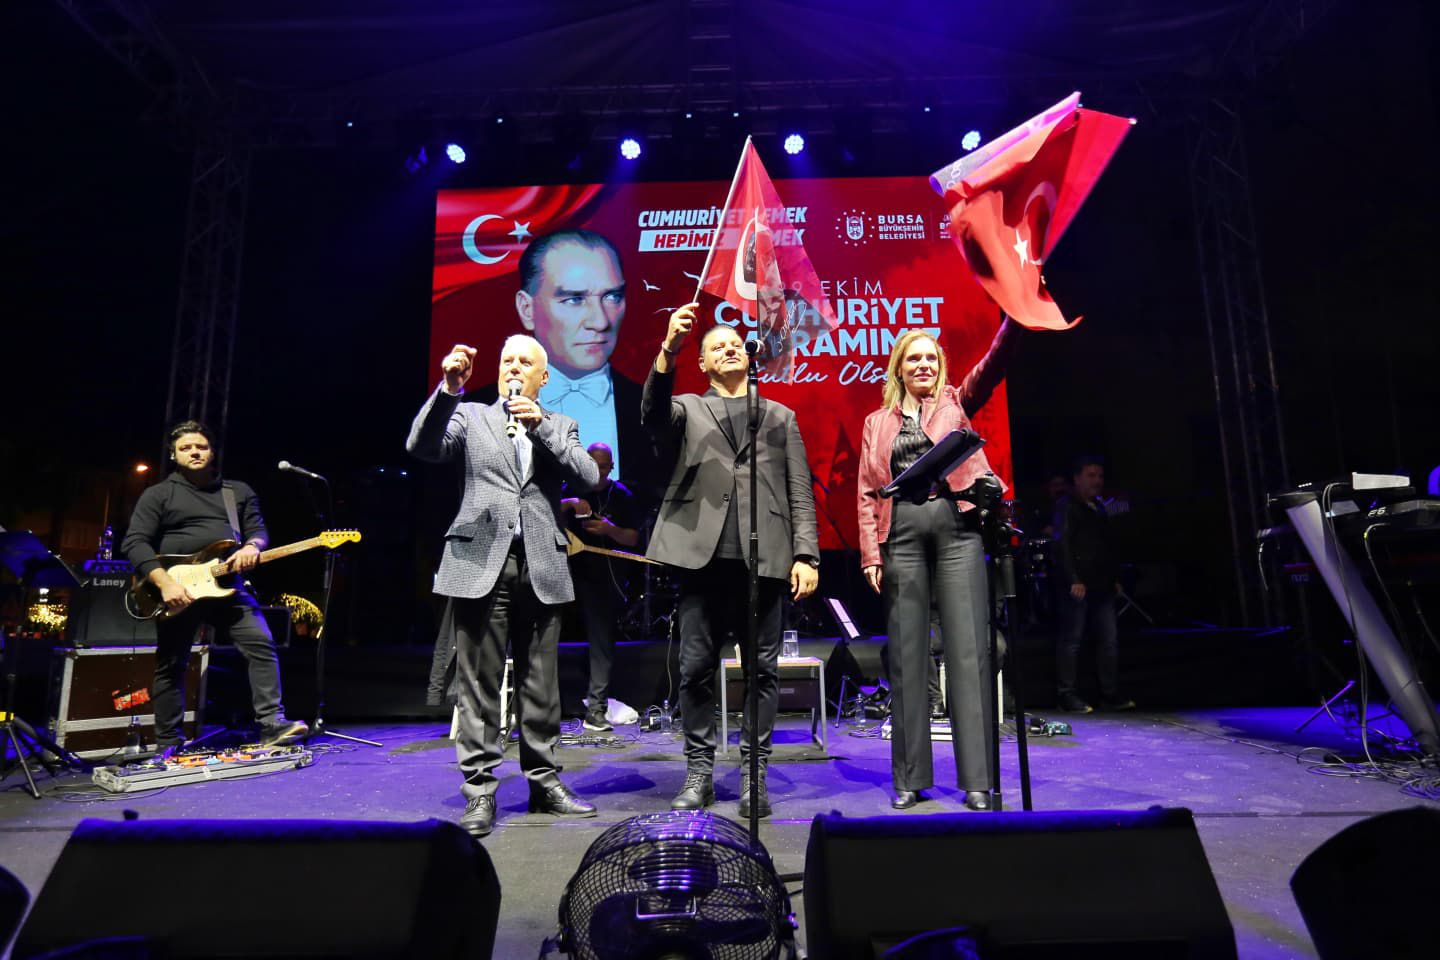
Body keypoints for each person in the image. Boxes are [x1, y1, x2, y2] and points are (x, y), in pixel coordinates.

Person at [407, 334, 602, 838]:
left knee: (541, 683)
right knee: (479, 683)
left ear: (544, 377)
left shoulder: (561, 425)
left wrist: (541, 429)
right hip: (481, 559)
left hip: (541, 562)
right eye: (506, 360)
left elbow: (588, 478)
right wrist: (449, 389)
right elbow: (422, 446)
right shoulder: (470, 416)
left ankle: (545, 782)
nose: (513, 367)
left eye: (525, 362)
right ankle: (479, 789)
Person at [642, 303, 820, 818]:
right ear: (702, 363)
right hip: (702, 560)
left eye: (735, 343)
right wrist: (669, 348)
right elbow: (652, 416)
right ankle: (699, 772)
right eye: (716, 346)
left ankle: (753, 774)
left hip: (763, 561)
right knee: (694, 670)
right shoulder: (687, 408)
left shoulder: (779, 416)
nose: (729, 348)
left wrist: (806, 554)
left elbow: (800, 490)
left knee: (762, 672)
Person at [857, 330, 997, 812]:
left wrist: (1012, 325)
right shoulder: (877, 423)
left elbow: (989, 370)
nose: (923, 365)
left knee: (967, 653)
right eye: (913, 358)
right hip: (901, 533)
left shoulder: (954, 405)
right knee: (907, 656)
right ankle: (910, 778)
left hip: (957, 527)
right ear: (899, 368)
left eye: (931, 358)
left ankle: (978, 780)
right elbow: (867, 492)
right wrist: (870, 554)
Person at [121, 420, 307, 752]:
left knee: (262, 643)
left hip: (227, 586)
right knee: (172, 664)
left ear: (212, 452)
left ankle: (272, 725)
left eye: (201, 446)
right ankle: (169, 742)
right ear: (174, 455)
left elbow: (258, 531)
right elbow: (134, 542)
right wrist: (164, 583)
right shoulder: (159, 494)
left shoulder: (237, 492)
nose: (194, 452)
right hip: (177, 591)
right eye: (185, 448)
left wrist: (252, 547)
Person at [513, 228, 659, 496]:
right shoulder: (483, 410)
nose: (600, 321)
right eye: (574, 299)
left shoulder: (652, 408)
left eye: (612, 296)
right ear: (527, 309)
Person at [559, 442, 643, 732]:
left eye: (603, 467)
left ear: (611, 467)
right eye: (592, 465)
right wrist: (570, 503)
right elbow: (545, 514)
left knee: (601, 645)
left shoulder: (621, 495)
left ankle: (596, 709)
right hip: (566, 575)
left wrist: (609, 529)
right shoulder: (570, 488)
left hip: (603, 579)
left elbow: (633, 539)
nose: (597, 471)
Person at [1054, 456, 1135, 713]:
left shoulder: (1099, 507)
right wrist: (1073, 579)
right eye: (1091, 475)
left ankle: (1108, 693)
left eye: (1099, 476)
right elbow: (1063, 544)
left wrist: (1114, 578)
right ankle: (1066, 694)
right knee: (1072, 640)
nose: (1097, 481)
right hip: (1079, 584)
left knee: (1108, 640)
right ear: (1077, 478)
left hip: (1102, 584)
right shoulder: (1067, 506)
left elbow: (1106, 545)